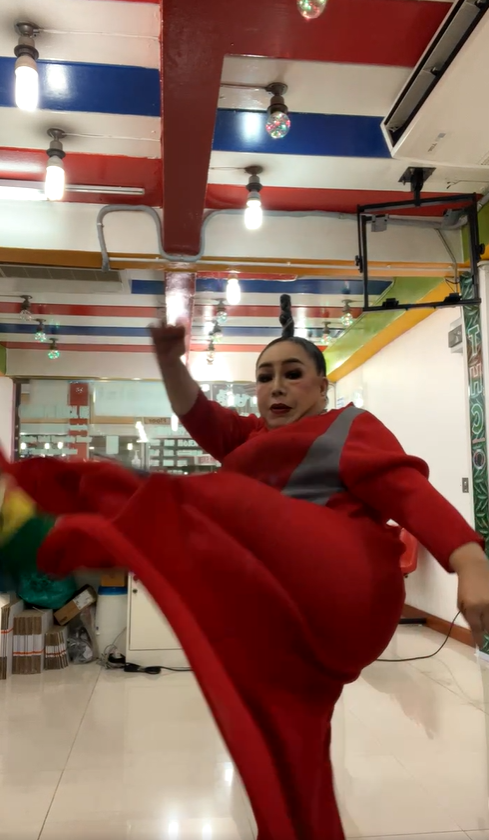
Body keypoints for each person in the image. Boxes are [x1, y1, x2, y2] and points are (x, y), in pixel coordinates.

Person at [1, 293, 489, 840]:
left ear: (322, 386)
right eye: (264, 377)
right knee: (285, 754)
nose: (276, 387)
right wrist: (169, 363)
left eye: (292, 374)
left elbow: (407, 490)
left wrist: (469, 559)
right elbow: (199, 415)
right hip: (289, 617)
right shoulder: (250, 439)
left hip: (343, 572)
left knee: (196, 502)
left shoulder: (348, 426)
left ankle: (39, 522)